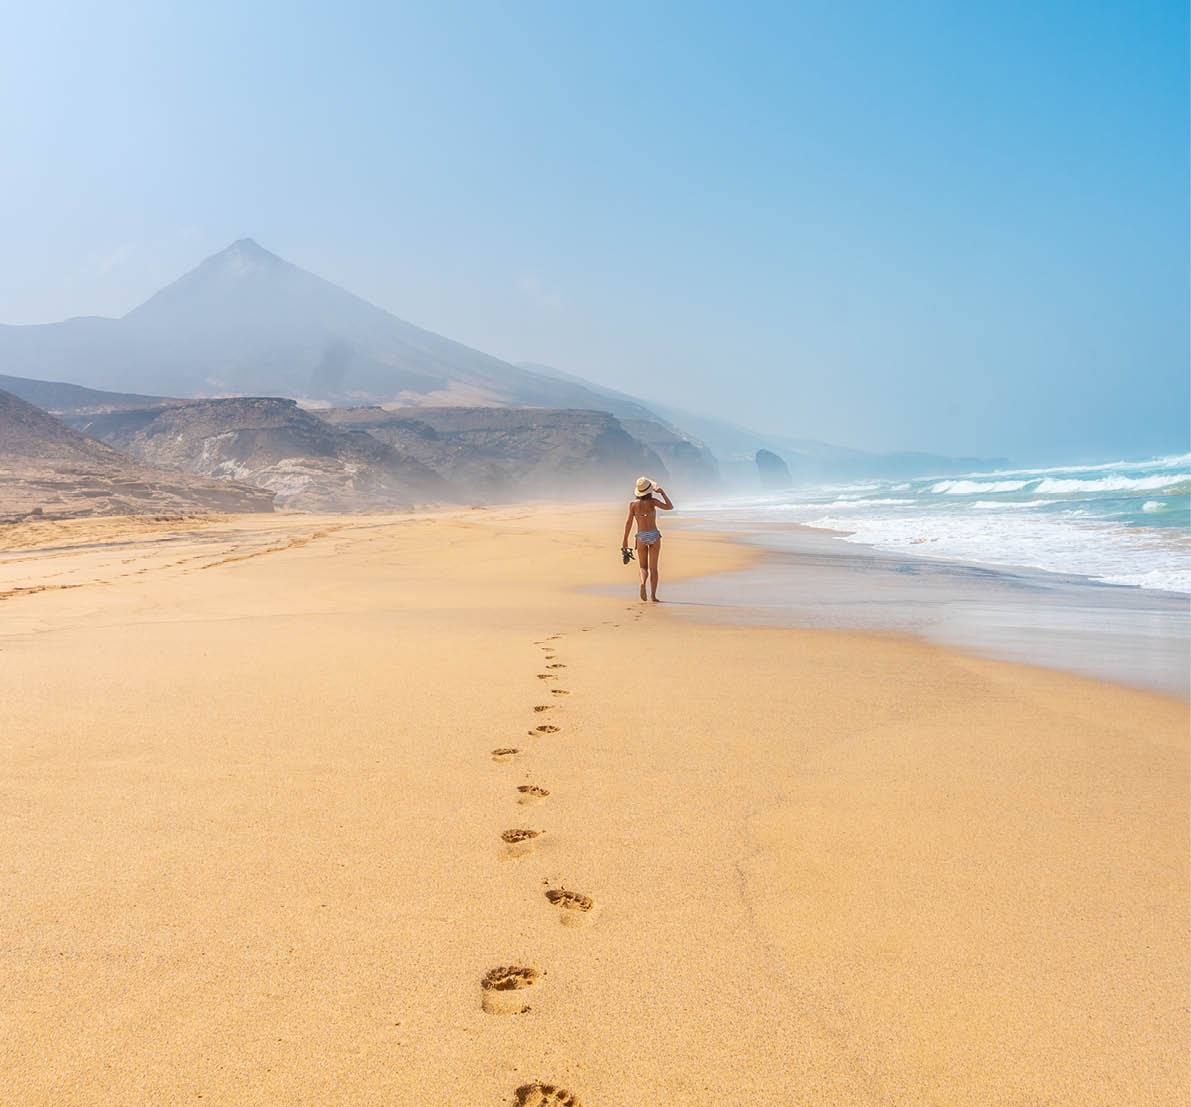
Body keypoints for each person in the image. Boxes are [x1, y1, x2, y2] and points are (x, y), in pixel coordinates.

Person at [621, 476, 674, 602]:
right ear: (649, 490)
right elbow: (669, 507)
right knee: (653, 568)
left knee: (643, 567)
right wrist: (662, 492)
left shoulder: (633, 504)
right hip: (654, 535)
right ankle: (653, 596)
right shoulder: (653, 502)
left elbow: (628, 523)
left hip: (641, 536)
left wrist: (625, 540)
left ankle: (642, 583)